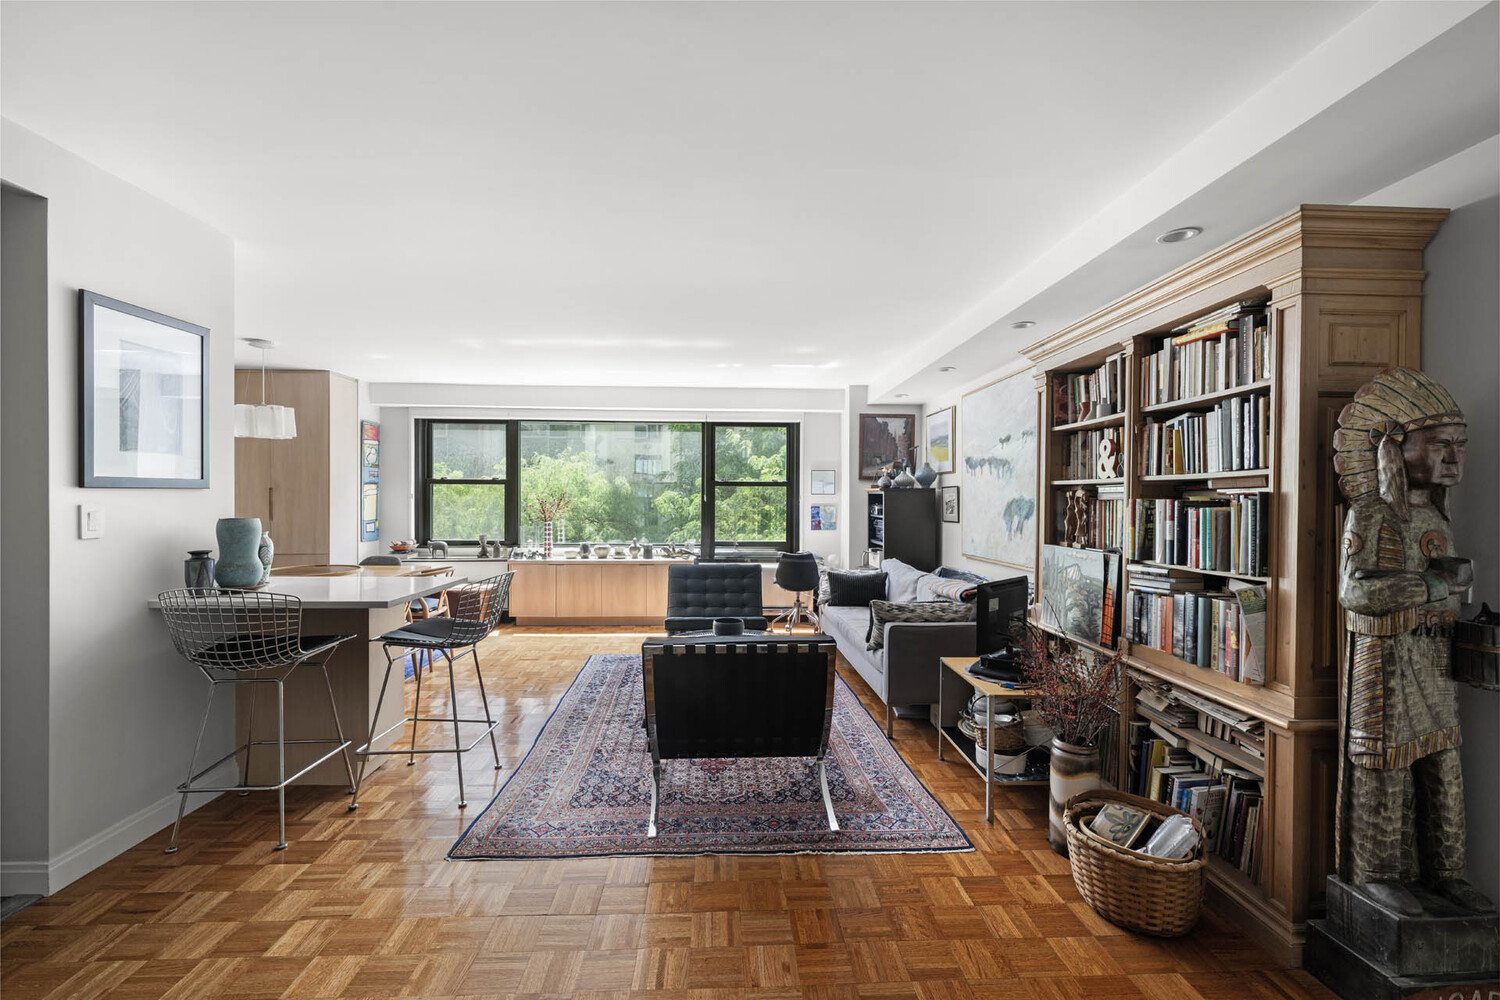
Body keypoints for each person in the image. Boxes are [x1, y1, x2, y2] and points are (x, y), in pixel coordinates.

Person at [1332, 367, 1492, 916]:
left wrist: (1455, 599)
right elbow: (1353, 591)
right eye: (1441, 443)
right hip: (1386, 661)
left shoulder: (1439, 517)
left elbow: (1446, 586)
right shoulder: (1370, 513)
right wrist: (1427, 584)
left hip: (1435, 657)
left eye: (1460, 445)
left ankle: (1446, 873)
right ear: (1398, 448)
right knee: (1385, 770)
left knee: (1444, 768)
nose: (1454, 457)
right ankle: (1377, 874)